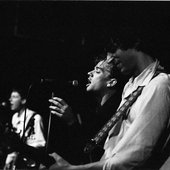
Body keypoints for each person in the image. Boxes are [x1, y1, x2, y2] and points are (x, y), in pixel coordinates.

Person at [47, 27, 170, 170]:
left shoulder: (159, 85)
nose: (109, 58)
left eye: (113, 49)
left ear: (135, 44)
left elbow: (136, 155)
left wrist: (74, 169)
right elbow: (113, 147)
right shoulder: (131, 86)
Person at [48, 52, 126, 164]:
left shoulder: (113, 111)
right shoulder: (99, 109)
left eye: (97, 71)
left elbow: (90, 151)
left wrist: (71, 121)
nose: (89, 73)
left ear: (111, 82)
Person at [3, 85, 46, 169]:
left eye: (14, 97)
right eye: (10, 97)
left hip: (29, 163)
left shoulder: (35, 118)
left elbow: (41, 144)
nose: (10, 100)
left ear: (23, 100)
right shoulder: (14, 117)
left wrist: (25, 148)